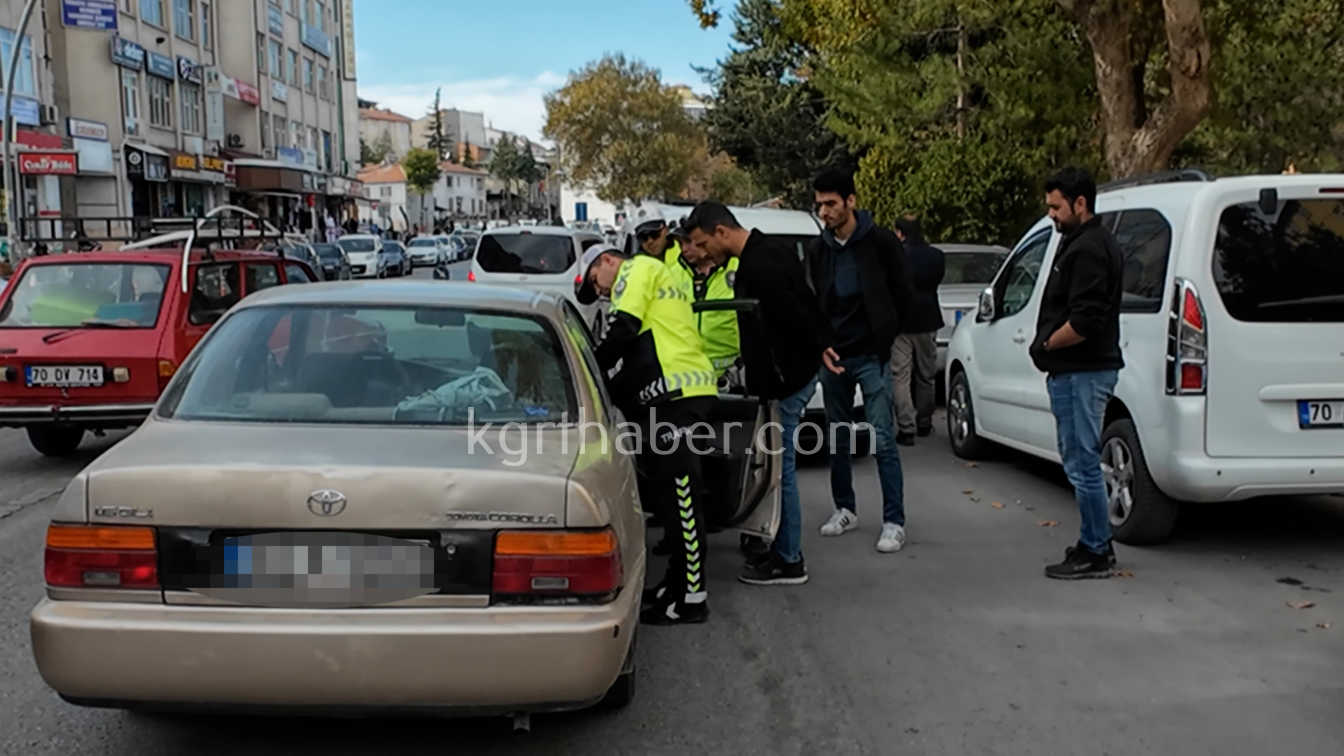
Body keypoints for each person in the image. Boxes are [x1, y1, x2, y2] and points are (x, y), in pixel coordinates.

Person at [683, 201, 824, 586]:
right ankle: (780, 550)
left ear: (721, 232)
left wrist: (777, 383)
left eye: (702, 242)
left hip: (788, 383)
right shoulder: (766, 253)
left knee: (783, 472)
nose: (701, 252)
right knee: (778, 469)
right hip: (790, 378)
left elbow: (795, 321)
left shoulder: (763, 265)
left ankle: (789, 560)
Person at [577, 244, 718, 625]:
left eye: (596, 282)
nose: (602, 292)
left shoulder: (636, 271)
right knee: (671, 504)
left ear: (607, 261)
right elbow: (637, 361)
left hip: (678, 397)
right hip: (670, 396)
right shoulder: (651, 279)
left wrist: (589, 369)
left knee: (683, 501)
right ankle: (675, 584)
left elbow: (624, 331)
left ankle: (691, 598)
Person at [807, 169, 912, 555]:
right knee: (837, 437)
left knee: (882, 439)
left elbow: (903, 293)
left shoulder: (881, 242)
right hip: (834, 357)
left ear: (851, 201)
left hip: (872, 355)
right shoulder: (819, 249)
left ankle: (894, 521)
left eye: (831, 203)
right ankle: (844, 509)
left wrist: (885, 339)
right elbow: (815, 300)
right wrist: (822, 344)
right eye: (819, 204)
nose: (824, 211)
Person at [1029, 167, 1125, 580]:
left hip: (1082, 372)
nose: (1051, 214)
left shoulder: (1088, 249)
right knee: (1078, 459)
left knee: (1082, 462)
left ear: (1080, 203)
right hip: (1077, 372)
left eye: (1055, 206)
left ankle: (1096, 550)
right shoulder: (1081, 241)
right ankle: (1093, 538)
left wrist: (1047, 344)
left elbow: (1085, 319)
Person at [891, 217, 945, 443]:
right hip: (928, 318)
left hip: (901, 322)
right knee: (926, 375)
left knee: (900, 376)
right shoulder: (936, 256)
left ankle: (906, 428)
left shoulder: (896, 256)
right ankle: (925, 421)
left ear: (901, 233)